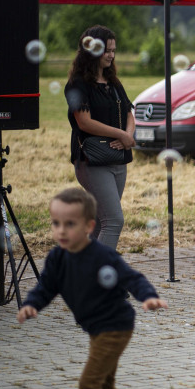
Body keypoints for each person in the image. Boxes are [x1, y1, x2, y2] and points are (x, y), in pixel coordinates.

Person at [17, 188, 168, 389]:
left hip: (115, 327)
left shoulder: (101, 255)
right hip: (97, 329)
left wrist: (147, 296)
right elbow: (46, 287)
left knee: (89, 385)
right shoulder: (57, 258)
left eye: (70, 224)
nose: (61, 230)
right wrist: (31, 304)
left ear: (88, 226)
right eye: (55, 223)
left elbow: (131, 277)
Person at [65, 25, 134, 250]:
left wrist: (128, 136)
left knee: (99, 225)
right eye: (106, 50)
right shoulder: (77, 84)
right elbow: (84, 122)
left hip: (117, 159)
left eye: (113, 50)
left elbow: (129, 112)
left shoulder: (113, 82)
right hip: (91, 161)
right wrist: (120, 134)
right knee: (114, 221)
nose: (111, 55)